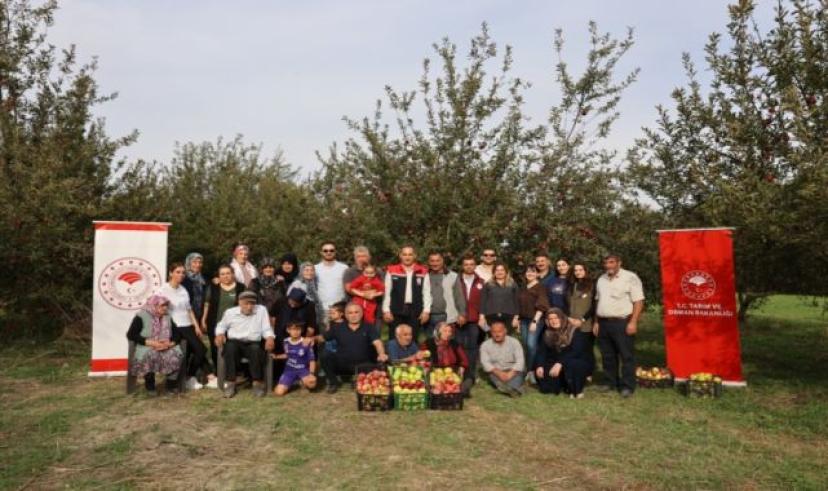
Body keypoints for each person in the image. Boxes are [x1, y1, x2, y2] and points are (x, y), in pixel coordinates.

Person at [595, 253, 645, 398]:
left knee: (626, 356)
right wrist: (597, 322)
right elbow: (598, 301)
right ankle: (610, 382)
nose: (608, 266)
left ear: (619, 263)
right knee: (607, 355)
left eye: (611, 262)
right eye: (606, 263)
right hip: (604, 323)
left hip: (622, 322)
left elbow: (638, 301)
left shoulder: (630, 277)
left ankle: (627, 386)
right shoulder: (601, 279)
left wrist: (633, 322)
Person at [215, 290, 276, 398]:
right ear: (239, 302)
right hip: (235, 342)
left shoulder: (261, 310)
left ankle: (257, 383)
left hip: (253, 343)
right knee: (230, 348)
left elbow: (266, 328)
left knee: (256, 349)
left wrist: (270, 338)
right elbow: (221, 326)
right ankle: (231, 383)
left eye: (252, 303)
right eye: (246, 303)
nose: (249, 306)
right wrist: (219, 334)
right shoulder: (230, 312)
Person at [158, 262, 209, 391]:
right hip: (173, 325)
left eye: (183, 272)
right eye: (178, 272)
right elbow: (158, 310)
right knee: (182, 352)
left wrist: (196, 326)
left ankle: (189, 377)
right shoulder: (162, 290)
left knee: (201, 350)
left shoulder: (183, 290)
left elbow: (189, 310)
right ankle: (178, 380)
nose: (181, 275)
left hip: (187, 324)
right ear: (170, 273)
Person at [316, 303, 388, 393]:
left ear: (361, 314)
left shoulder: (369, 327)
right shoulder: (337, 328)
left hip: (363, 365)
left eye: (356, 312)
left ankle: (358, 379)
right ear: (345, 315)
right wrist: (311, 339)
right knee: (325, 355)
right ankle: (334, 382)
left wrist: (381, 354)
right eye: (350, 313)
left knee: (381, 360)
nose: (353, 315)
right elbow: (322, 338)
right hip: (342, 364)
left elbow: (377, 342)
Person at [126, 294, 183, 395]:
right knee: (152, 355)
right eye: (162, 305)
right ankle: (150, 385)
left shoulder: (167, 317)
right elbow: (131, 334)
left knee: (176, 355)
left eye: (166, 305)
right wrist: (151, 343)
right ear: (154, 305)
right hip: (147, 345)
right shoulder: (142, 316)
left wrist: (170, 344)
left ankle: (170, 385)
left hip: (165, 346)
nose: (165, 308)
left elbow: (177, 334)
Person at [533, 308, 592, 398]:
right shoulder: (547, 333)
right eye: (550, 319)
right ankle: (563, 383)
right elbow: (542, 351)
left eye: (556, 318)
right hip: (555, 362)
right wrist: (539, 366)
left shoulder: (574, 331)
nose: (553, 321)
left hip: (574, 361)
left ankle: (576, 388)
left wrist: (560, 363)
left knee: (574, 364)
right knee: (546, 389)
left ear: (562, 318)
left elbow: (576, 351)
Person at [202, 264, 245, 380]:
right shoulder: (213, 287)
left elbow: (245, 305)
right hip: (214, 322)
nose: (225, 276)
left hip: (234, 325)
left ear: (232, 274)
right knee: (216, 348)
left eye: (228, 273)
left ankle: (234, 372)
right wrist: (203, 319)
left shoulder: (241, 287)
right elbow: (207, 303)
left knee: (232, 347)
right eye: (222, 274)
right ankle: (219, 372)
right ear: (219, 276)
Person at [382, 245, 432, 340]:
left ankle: (412, 355)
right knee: (394, 339)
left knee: (412, 339)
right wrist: (386, 311)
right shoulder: (392, 270)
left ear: (415, 256)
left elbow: (427, 293)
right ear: (400, 256)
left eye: (410, 254)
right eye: (404, 254)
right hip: (396, 310)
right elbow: (387, 292)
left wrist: (426, 311)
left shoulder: (423, 271)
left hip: (415, 311)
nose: (407, 257)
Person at [517, 265, 550, 384]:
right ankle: (528, 370)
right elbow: (520, 306)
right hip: (524, 320)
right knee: (527, 346)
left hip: (535, 320)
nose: (530, 273)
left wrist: (535, 321)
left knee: (532, 345)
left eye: (533, 272)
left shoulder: (540, 287)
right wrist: (519, 321)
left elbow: (542, 305)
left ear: (537, 274)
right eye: (528, 271)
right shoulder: (523, 288)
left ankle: (532, 371)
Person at [456, 253, 485, 381]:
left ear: (475, 266)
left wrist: (482, 316)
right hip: (458, 320)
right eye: (466, 264)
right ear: (462, 266)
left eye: (471, 264)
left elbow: (484, 302)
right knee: (458, 346)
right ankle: (458, 373)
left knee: (472, 348)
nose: (469, 267)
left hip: (474, 320)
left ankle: (470, 374)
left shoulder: (481, 282)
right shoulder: (456, 280)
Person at [424, 251, 465, 339]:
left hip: (447, 316)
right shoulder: (424, 276)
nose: (435, 263)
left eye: (437, 261)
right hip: (429, 317)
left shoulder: (452, 276)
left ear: (442, 261)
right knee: (432, 344)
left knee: (447, 344)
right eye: (432, 261)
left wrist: (462, 314)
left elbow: (459, 297)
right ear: (428, 262)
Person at [424, 322, 473, 397]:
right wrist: (426, 365)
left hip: (452, 371)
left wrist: (462, 367)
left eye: (449, 331)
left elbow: (464, 359)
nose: (448, 333)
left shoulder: (454, 344)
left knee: (468, 375)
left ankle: (458, 390)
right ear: (437, 332)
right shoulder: (428, 343)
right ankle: (433, 391)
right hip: (435, 371)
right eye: (445, 331)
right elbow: (422, 356)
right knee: (425, 376)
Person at [480, 320, 525, 397]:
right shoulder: (485, 345)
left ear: (505, 331)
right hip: (496, 371)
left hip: (513, 370)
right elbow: (485, 363)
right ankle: (514, 389)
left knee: (517, 375)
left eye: (500, 331)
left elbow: (520, 360)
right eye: (494, 332)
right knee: (494, 377)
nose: (497, 334)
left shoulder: (514, 342)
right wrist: (499, 373)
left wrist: (510, 373)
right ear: (491, 332)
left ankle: (510, 388)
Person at [567, 261, 597, 375]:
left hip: (586, 323)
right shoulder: (571, 285)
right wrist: (569, 318)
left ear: (585, 271)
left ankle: (589, 373)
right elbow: (567, 304)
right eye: (575, 270)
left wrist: (582, 319)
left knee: (587, 349)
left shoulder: (592, 285)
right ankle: (578, 372)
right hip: (572, 322)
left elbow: (594, 305)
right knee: (574, 349)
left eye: (580, 270)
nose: (578, 272)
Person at [272, 321, 317, 396]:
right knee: (278, 392)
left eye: (298, 329)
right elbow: (288, 355)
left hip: (303, 370)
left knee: (312, 384)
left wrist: (312, 374)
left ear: (301, 330)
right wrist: (276, 357)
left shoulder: (306, 342)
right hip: (289, 370)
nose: (295, 332)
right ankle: (290, 382)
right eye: (292, 329)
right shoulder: (286, 341)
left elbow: (312, 360)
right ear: (288, 330)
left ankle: (302, 381)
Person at [315, 242, 349, 328]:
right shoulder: (315, 268)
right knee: (324, 337)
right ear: (321, 252)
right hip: (322, 309)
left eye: (331, 250)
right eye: (325, 250)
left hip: (340, 309)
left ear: (335, 252)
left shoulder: (344, 267)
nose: (328, 252)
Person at [479, 263, 520, 332]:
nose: (499, 272)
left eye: (502, 270)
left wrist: (516, 318)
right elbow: (483, 301)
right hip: (491, 317)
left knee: (506, 339)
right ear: (494, 272)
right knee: (493, 338)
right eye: (497, 270)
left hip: (509, 317)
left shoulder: (513, 284)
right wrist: (481, 317)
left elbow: (517, 302)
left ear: (506, 272)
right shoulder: (488, 285)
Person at [182, 252, 207, 324]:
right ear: (188, 263)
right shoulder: (183, 278)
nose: (198, 265)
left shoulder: (204, 280)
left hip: (200, 316)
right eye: (195, 262)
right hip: (185, 316)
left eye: (200, 262)